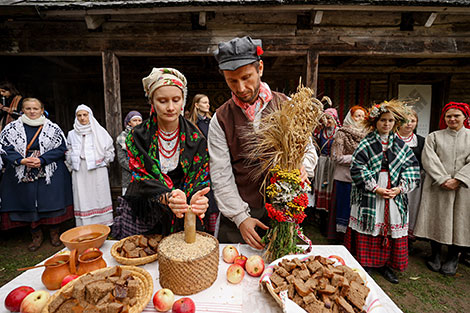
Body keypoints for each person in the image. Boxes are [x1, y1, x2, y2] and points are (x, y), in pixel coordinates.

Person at [209, 36, 317, 249]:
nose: (240, 88)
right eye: (232, 81)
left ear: (260, 68)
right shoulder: (220, 119)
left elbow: (308, 150)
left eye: (246, 77)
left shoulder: (287, 105)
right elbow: (221, 175)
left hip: (285, 211)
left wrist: (302, 167)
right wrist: (240, 218)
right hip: (241, 217)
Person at [111, 68, 210, 239]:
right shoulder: (137, 136)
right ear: (152, 102)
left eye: (176, 100)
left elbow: (199, 176)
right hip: (143, 212)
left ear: (183, 102)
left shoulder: (196, 138)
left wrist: (196, 197)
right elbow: (141, 177)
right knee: (140, 258)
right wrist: (166, 196)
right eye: (163, 101)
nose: (171, 107)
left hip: (180, 213)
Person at [345, 100, 420, 284]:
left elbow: (412, 168)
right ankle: (367, 263)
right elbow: (357, 167)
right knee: (372, 223)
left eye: (390, 121)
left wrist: (400, 188)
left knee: (389, 224)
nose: (386, 124)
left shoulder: (401, 146)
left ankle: (386, 265)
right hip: (371, 192)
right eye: (383, 120)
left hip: (393, 192)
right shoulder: (366, 143)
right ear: (375, 122)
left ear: (396, 123)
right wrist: (375, 187)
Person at [0, 98, 73, 251]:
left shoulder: (53, 129)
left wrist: (43, 160)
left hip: (48, 170)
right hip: (22, 169)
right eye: (28, 108)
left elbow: (61, 149)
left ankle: (54, 233)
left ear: (41, 110)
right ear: (22, 110)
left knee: (51, 202)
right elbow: (5, 148)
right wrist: (20, 160)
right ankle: (36, 235)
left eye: (35, 108)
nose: (32, 111)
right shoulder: (11, 128)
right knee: (28, 202)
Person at [414, 102, 470, 276]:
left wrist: (459, 179)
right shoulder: (434, 136)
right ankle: (435, 254)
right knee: (436, 218)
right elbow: (429, 158)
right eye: (448, 116)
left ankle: (453, 257)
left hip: (463, 188)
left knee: (459, 221)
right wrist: (444, 179)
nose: (452, 119)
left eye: (456, 116)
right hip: (438, 186)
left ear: (465, 118)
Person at [66, 104, 115, 226]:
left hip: (97, 170)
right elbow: (68, 150)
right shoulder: (72, 134)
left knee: (99, 195)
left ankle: (104, 225)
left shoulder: (99, 131)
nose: (82, 118)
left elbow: (109, 149)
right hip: (80, 170)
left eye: (85, 115)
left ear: (90, 116)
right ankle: (85, 226)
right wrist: (72, 160)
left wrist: (103, 162)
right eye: (79, 115)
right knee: (82, 197)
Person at [330, 106, 367, 241]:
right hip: (344, 177)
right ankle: (340, 237)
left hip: (362, 179)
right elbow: (336, 156)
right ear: (350, 117)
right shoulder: (342, 133)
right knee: (343, 208)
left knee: (357, 209)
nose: (360, 119)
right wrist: (359, 158)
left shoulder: (368, 134)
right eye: (357, 116)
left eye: (363, 116)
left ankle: (355, 238)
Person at [188, 94, 219, 234]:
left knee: (211, 197)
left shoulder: (213, 123)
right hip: (196, 167)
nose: (208, 105)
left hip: (211, 165)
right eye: (204, 103)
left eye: (208, 102)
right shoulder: (190, 125)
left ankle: (212, 232)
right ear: (196, 105)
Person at [396, 108, 425, 249]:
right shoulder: (392, 138)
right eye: (406, 121)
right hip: (395, 180)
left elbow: (424, 161)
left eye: (413, 121)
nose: (409, 124)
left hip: (413, 182)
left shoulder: (420, 141)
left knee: (411, 208)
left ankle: (408, 238)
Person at [314, 107, 340, 238]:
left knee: (329, 187)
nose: (327, 121)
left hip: (333, 164)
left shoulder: (339, 133)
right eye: (325, 119)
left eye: (329, 118)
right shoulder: (320, 133)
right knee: (322, 186)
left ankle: (329, 218)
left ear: (335, 119)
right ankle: (321, 216)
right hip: (322, 162)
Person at [116, 110, 143, 195]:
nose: (137, 123)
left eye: (139, 120)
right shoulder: (122, 138)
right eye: (134, 120)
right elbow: (121, 159)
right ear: (129, 123)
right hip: (129, 175)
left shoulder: (146, 136)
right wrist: (135, 168)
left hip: (144, 175)